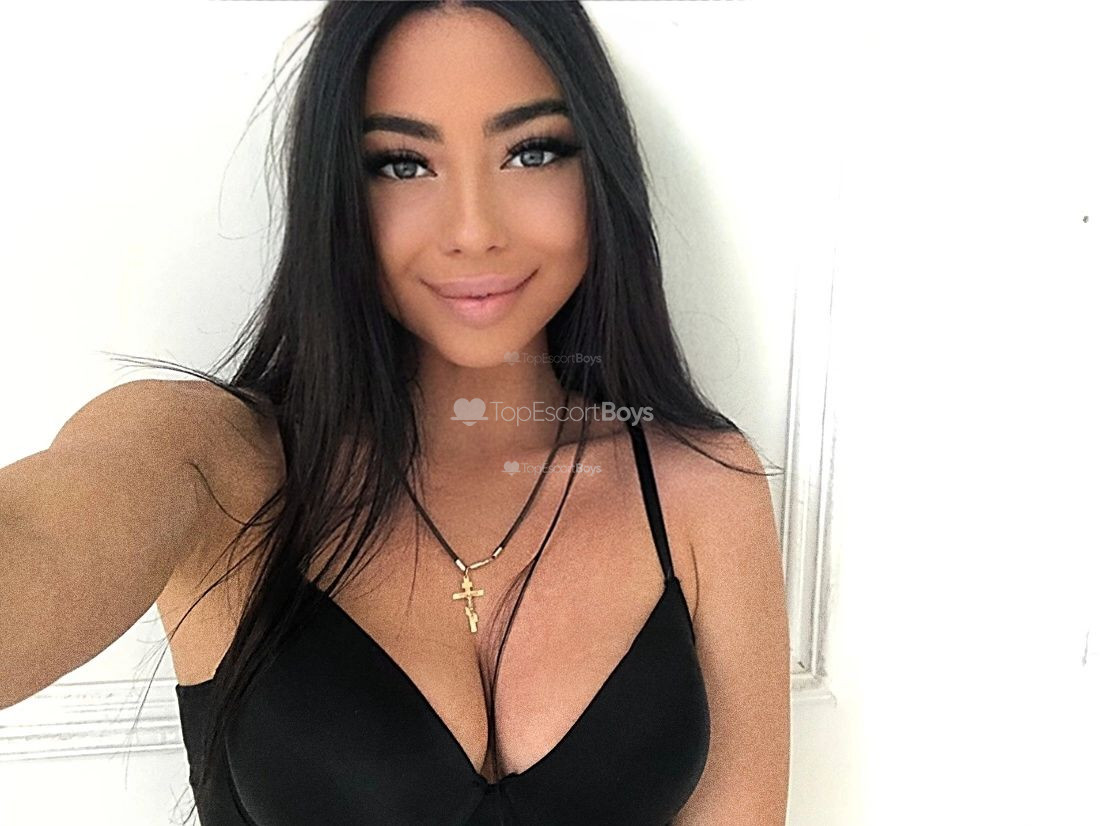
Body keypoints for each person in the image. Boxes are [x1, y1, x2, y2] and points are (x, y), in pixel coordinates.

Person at [0, 2, 790, 824]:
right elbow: (44, 538)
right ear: (336, 193)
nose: (473, 230)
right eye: (403, 164)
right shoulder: (222, 467)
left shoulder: (704, 490)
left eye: (531, 152)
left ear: (599, 172)